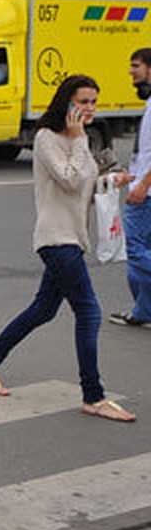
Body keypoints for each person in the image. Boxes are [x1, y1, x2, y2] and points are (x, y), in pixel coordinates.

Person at [0, 74, 136, 422]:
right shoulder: (48, 138)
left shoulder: (78, 139)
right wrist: (79, 141)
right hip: (56, 240)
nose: (89, 108)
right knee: (89, 313)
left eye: (94, 101)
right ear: (67, 103)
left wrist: (110, 182)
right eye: (83, 102)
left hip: (71, 238)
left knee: (43, 309)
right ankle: (93, 396)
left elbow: (82, 192)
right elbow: (69, 178)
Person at [112, 47, 151, 329]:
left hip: (146, 192)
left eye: (135, 66)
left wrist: (143, 184)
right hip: (141, 183)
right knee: (141, 252)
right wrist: (133, 174)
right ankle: (143, 311)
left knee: (136, 251)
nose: (130, 71)